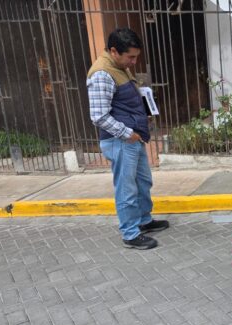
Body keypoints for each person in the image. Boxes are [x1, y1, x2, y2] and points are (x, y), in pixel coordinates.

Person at [86, 28, 168, 250]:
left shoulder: (119, 67)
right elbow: (99, 116)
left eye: (136, 57)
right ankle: (130, 233)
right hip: (121, 140)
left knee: (143, 182)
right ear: (114, 51)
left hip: (133, 138)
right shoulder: (102, 74)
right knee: (126, 188)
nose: (134, 61)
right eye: (130, 57)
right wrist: (126, 133)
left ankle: (143, 221)